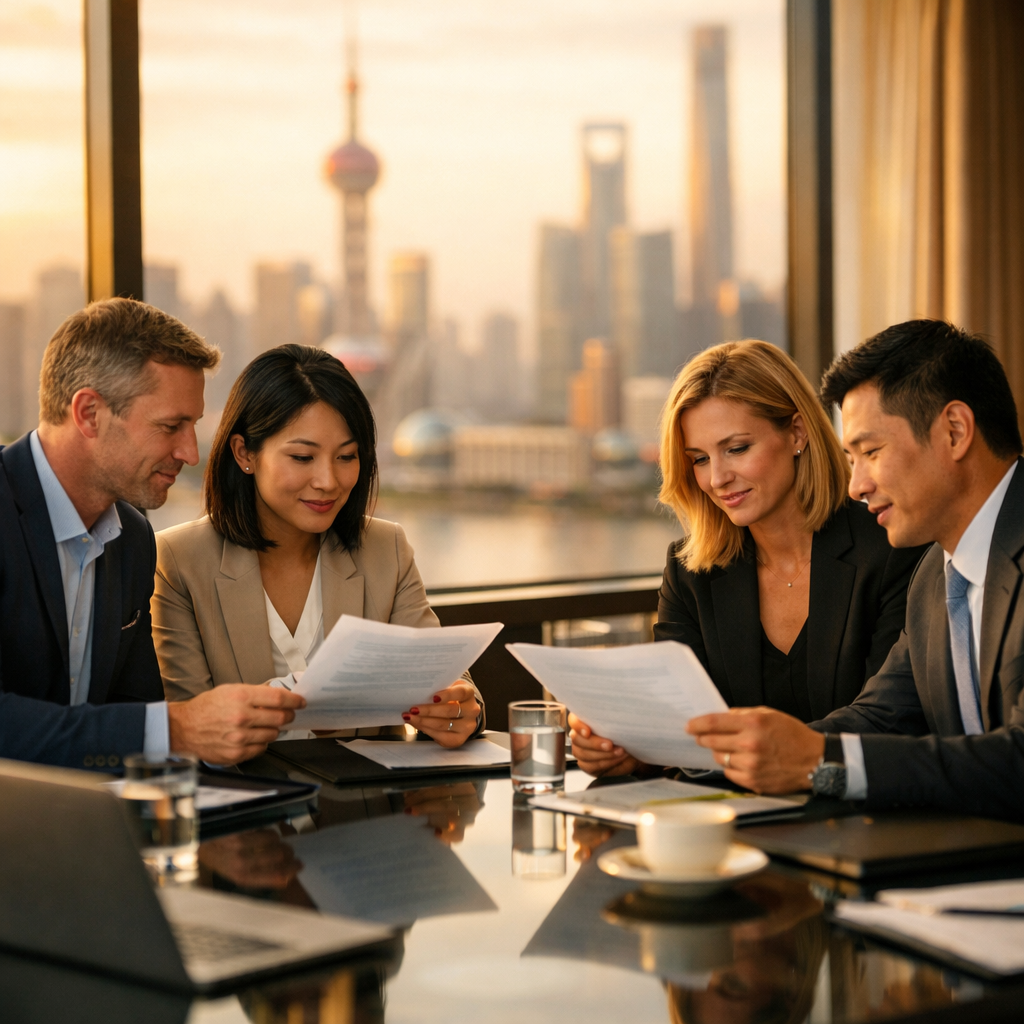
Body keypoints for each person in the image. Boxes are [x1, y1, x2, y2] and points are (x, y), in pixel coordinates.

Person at [687, 320, 1024, 819]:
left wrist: (819, 761)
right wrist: (737, 755)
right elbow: (883, 717)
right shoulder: (936, 575)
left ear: (955, 431)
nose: (856, 485)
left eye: (871, 452)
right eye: (851, 457)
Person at [571, 340, 924, 777]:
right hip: (726, 829)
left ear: (797, 433)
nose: (717, 478)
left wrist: (776, 757)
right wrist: (631, 751)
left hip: (857, 822)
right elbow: (680, 730)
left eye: (736, 449)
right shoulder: (689, 572)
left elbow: (892, 720)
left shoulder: (892, 547)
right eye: (699, 459)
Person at [0, 298, 305, 770]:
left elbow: (129, 705)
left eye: (194, 426)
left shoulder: (134, 539)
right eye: (171, 426)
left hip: (93, 825)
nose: (190, 452)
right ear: (89, 413)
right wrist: (176, 729)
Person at [152, 344, 484, 747]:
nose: (328, 480)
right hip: (246, 802)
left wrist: (459, 709)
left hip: (368, 806)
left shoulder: (385, 548)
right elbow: (188, 725)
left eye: (346, 457)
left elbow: (447, 676)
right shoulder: (177, 561)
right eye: (303, 457)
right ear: (245, 454)